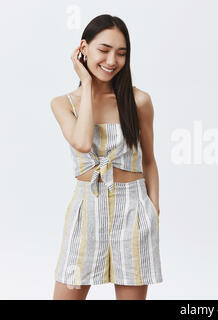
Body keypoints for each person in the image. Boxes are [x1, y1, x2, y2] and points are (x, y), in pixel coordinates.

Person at [50, 14, 163, 300]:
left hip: (133, 209)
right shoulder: (64, 104)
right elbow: (83, 142)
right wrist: (86, 84)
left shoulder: (139, 101)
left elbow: (149, 160)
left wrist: (153, 210)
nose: (112, 61)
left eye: (121, 53)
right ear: (83, 49)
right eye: (104, 50)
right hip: (87, 208)